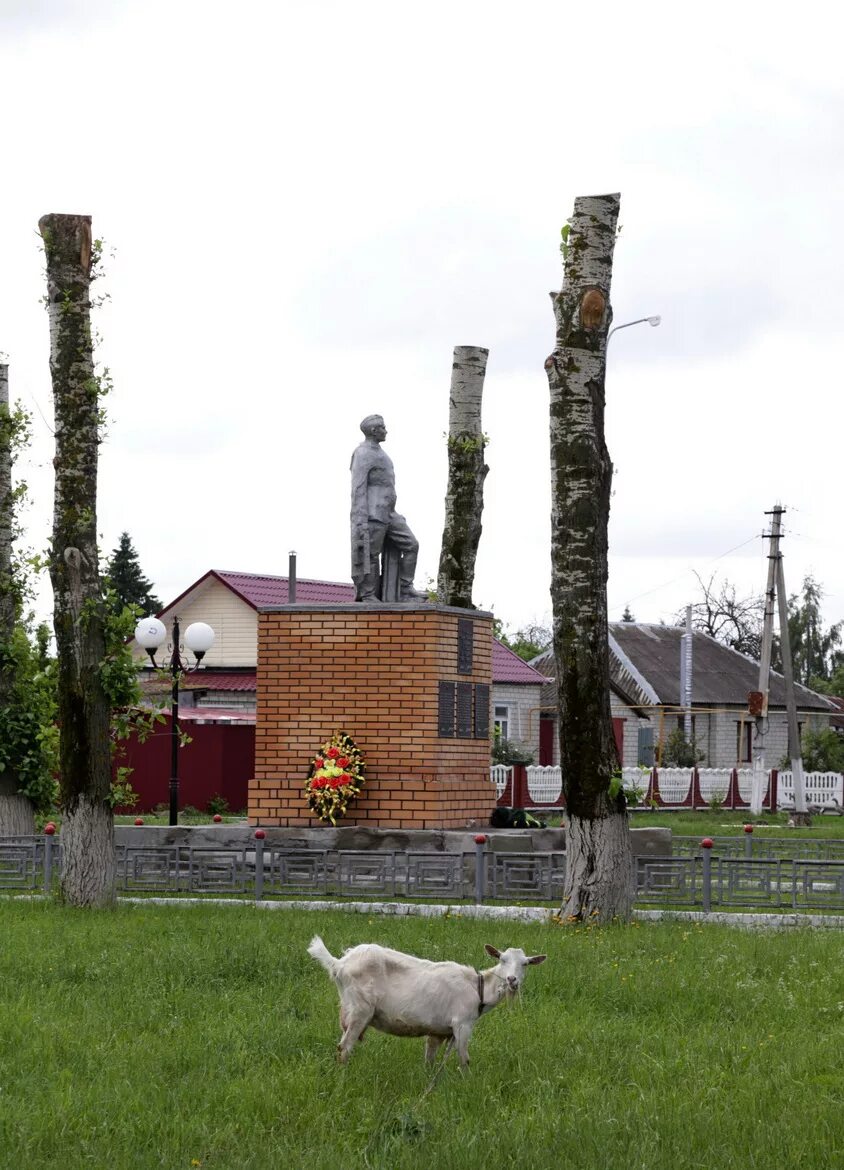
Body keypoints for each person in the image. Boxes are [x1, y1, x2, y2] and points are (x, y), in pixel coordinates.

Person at [350, 415, 424, 602]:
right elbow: (358, 488)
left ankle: (406, 589)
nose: (386, 430)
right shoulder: (362, 453)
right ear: (374, 431)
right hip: (372, 514)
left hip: (390, 513)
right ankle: (367, 595)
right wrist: (360, 520)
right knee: (370, 555)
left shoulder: (382, 454)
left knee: (411, 545)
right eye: (383, 427)